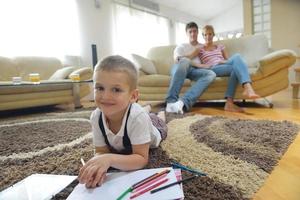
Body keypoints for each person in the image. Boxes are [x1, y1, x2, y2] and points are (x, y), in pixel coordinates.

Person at [78, 55, 167, 188]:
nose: (106, 96)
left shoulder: (138, 117)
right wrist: (100, 164)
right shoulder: (96, 117)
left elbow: (141, 159)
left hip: (154, 129)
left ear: (133, 96)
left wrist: (110, 159)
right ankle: (148, 108)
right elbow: (101, 151)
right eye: (100, 88)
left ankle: (160, 113)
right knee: (143, 114)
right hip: (134, 115)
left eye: (116, 89)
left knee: (158, 120)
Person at [195, 25, 260, 112]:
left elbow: (228, 60)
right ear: (203, 36)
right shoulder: (200, 49)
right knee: (237, 56)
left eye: (210, 34)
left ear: (213, 35)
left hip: (223, 64)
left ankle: (229, 103)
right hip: (213, 68)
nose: (208, 36)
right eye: (205, 34)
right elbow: (192, 60)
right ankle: (248, 87)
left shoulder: (220, 46)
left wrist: (223, 62)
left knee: (235, 68)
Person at [165, 22, 216, 114]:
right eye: (190, 32)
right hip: (180, 68)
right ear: (187, 33)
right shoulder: (182, 46)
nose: (193, 34)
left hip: (194, 71)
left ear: (198, 32)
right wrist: (198, 65)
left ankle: (182, 102)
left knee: (211, 74)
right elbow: (177, 59)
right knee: (185, 61)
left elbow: (209, 59)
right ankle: (170, 102)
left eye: (195, 31)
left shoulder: (203, 46)